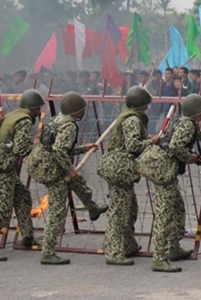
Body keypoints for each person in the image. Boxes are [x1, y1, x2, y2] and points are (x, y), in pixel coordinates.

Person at [29, 91, 108, 265]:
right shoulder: (69, 126)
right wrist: (69, 169)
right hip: (51, 169)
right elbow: (59, 151)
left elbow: (59, 147)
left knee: (77, 182)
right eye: (81, 110)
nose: (83, 113)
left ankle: (92, 207)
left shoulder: (56, 120)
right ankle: (48, 251)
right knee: (57, 211)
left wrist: (83, 148)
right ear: (76, 111)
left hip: (42, 163)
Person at [141, 94, 201, 272]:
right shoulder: (187, 124)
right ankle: (159, 257)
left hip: (162, 168)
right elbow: (175, 146)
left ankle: (174, 247)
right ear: (198, 113)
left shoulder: (183, 122)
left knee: (177, 208)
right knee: (165, 213)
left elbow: (195, 135)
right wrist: (190, 158)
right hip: (163, 169)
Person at [98, 86, 159, 266]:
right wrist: (152, 141)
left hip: (119, 166)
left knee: (130, 208)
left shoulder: (127, 116)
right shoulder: (132, 120)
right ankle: (114, 252)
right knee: (119, 212)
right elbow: (133, 145)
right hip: (120, 167)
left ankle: (128, 244)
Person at [0, 90, 45, 261]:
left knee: (23, 197)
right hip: (3, 167)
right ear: (33, 108)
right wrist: (39, 151)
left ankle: (27, 236)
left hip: (5, 165)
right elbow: (21, 148)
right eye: (38, 108)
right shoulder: (24, 121)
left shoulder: (14, 115)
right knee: (3, 211)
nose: (40, 112)